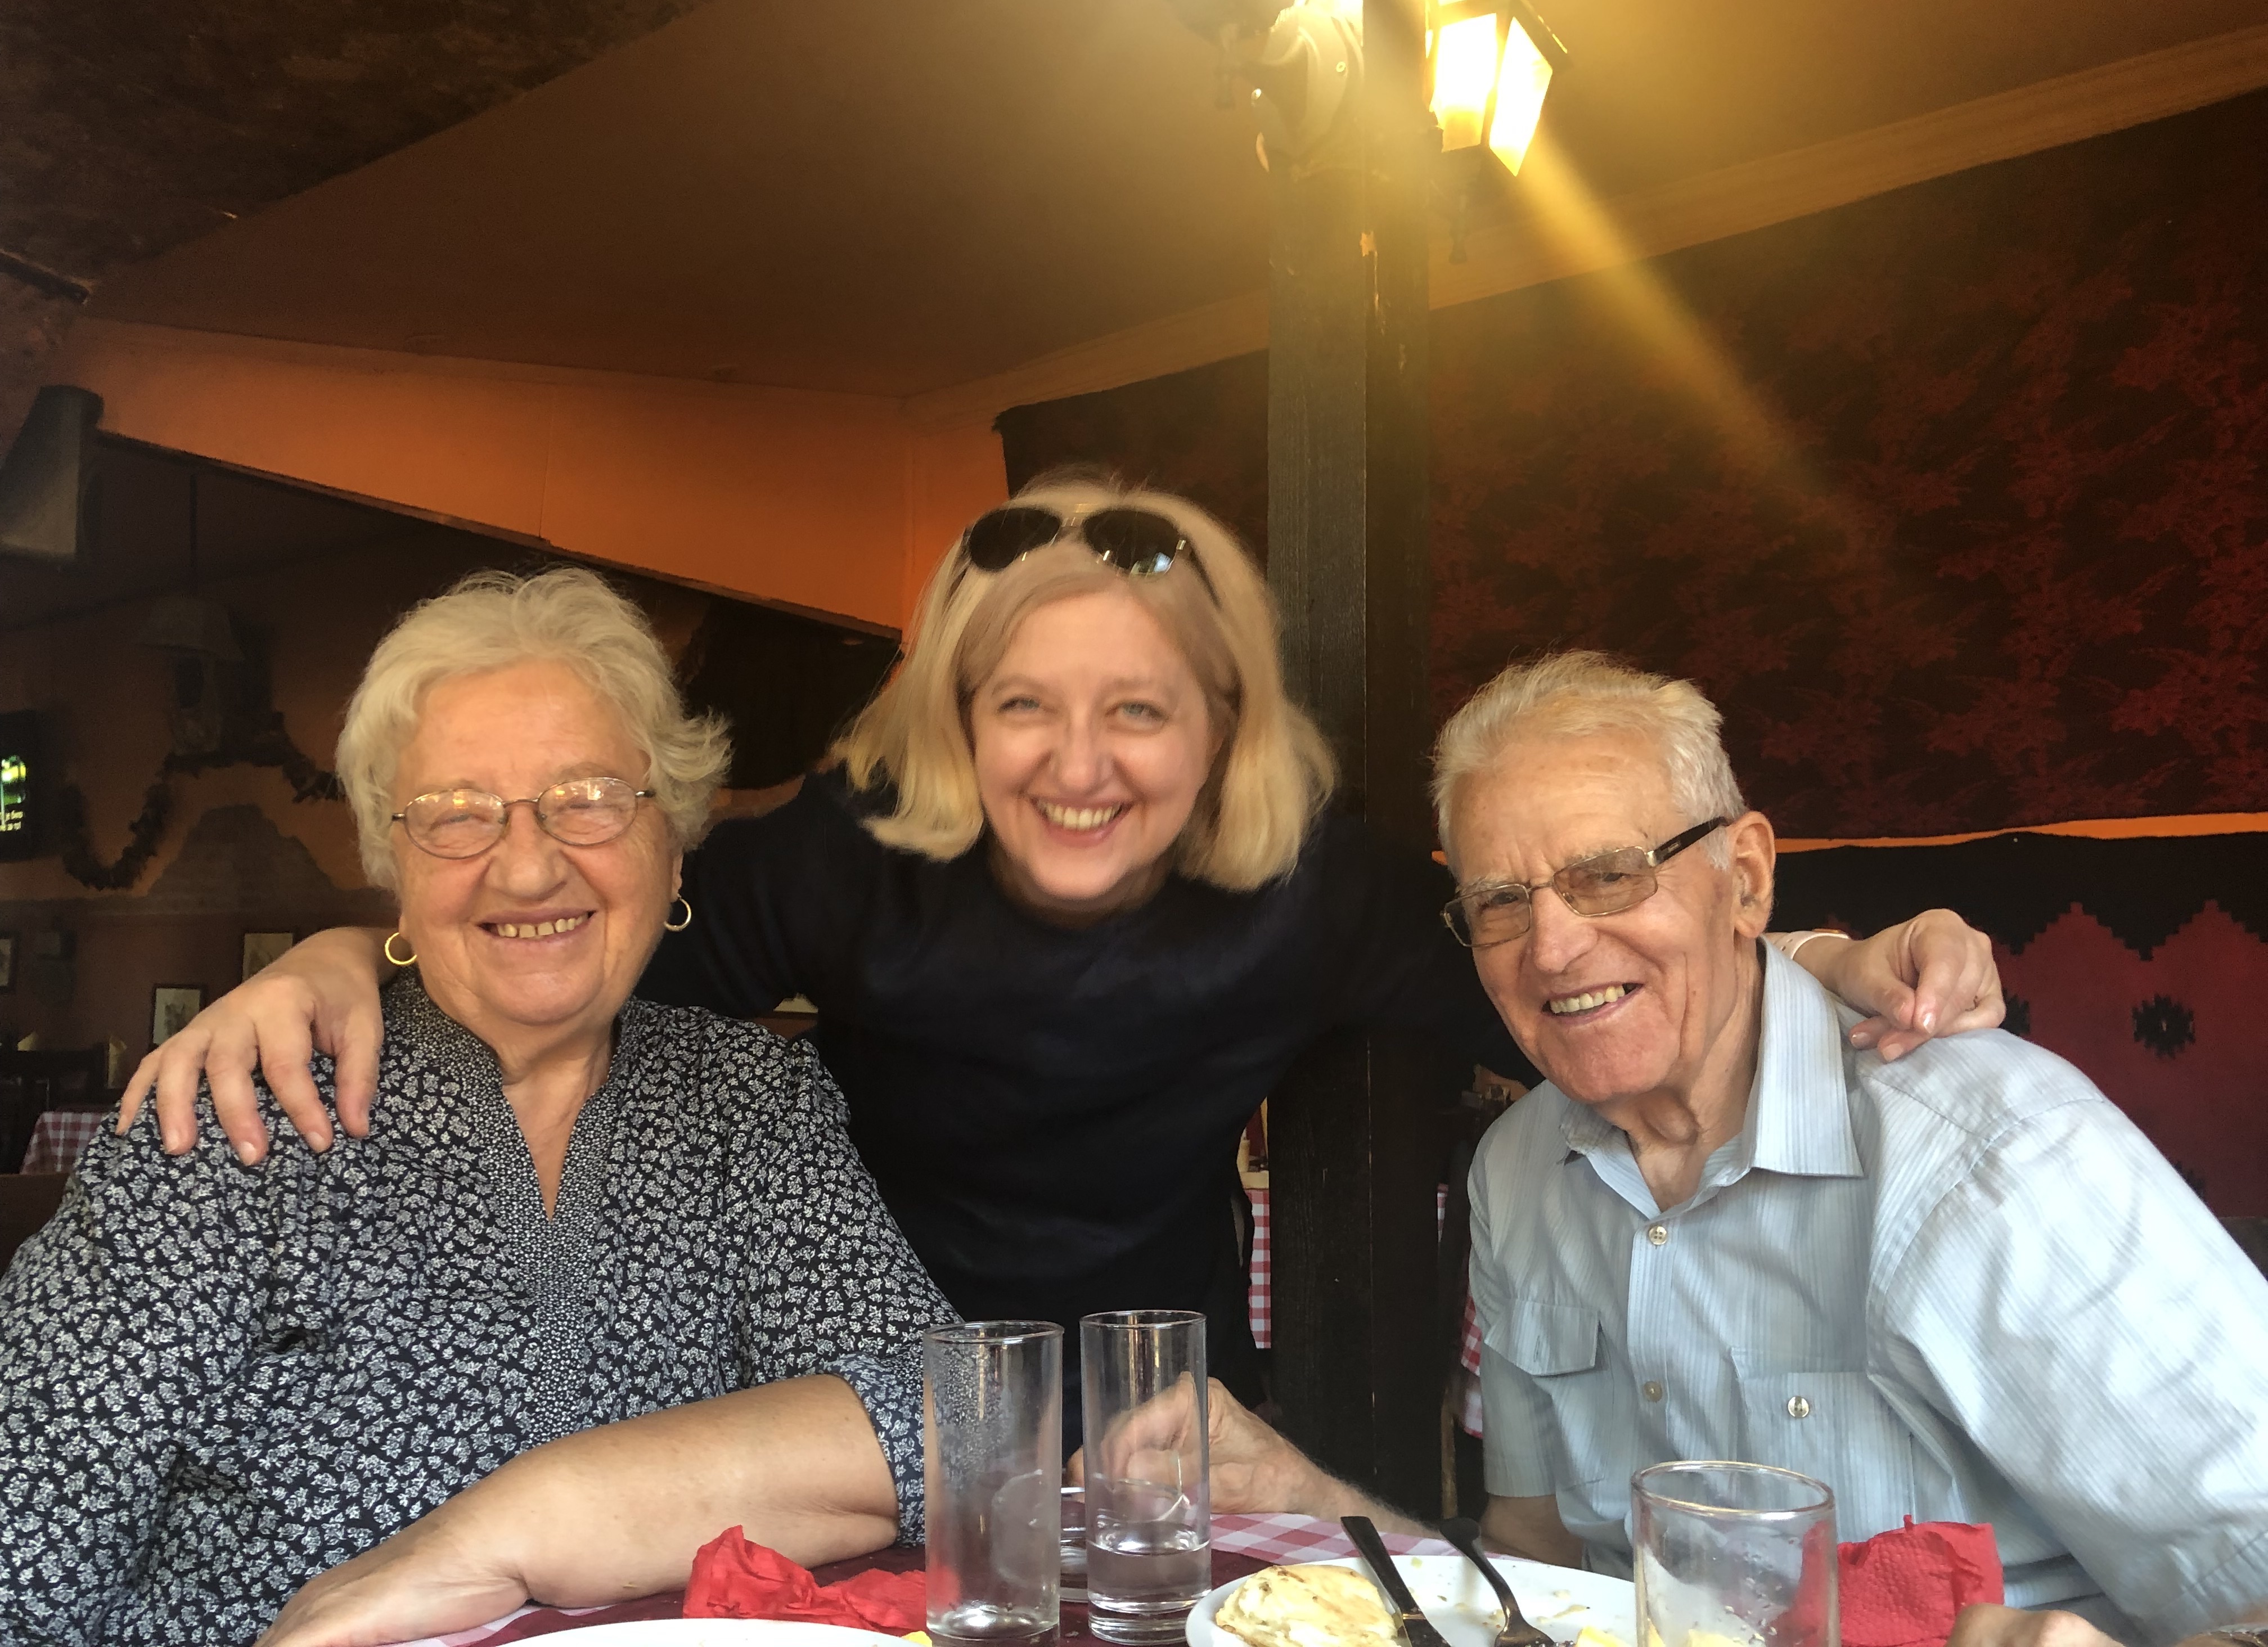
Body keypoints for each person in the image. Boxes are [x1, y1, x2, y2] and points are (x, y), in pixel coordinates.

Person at [126, 476, 2003, 1429]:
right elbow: (554, 948)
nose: (1080, 764)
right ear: (957, 718)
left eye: (1139, 712)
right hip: (848, 1400)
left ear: (1220, 723)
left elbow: (1566, 977)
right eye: (1023, 704)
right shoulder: (848, 860)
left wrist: (1821, 948)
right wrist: (336, 953)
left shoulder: (1316, 892)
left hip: (1165, 1410)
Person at [1182, 650, 2268, 1647]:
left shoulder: (1992, 1155)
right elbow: (1540, 1572)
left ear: (1745, 879)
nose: (1554, 947)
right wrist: (1304, 1500)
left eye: (1610, 874)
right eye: (1500, 903)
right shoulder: (1517, 1173)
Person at [0, 570, 957, 1645]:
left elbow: (959, 1423)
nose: (532, 864)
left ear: (673, 841)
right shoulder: (219, 1128)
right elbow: (21, 1575)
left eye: (590, 797)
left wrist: (510, 1527)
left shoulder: (747, 1102)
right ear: (391, 864)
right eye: (456, 815)